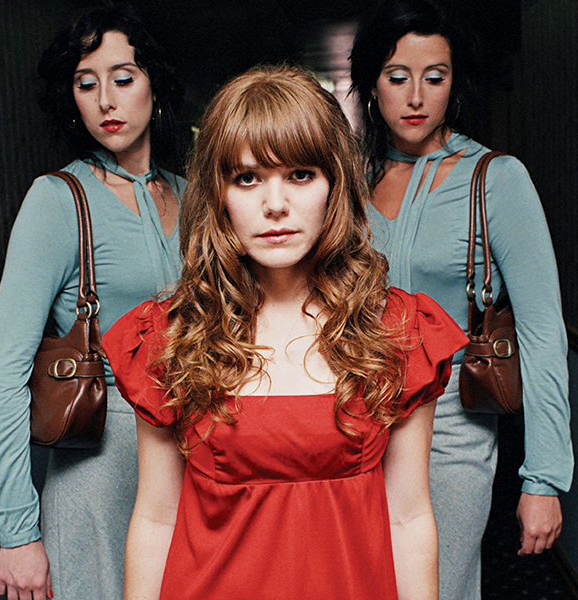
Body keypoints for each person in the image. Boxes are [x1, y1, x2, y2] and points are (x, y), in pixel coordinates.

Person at [102, 64, 468, 600]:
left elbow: (408, 518)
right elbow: (156, 519)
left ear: (334, 185)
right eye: (247, 178)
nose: (275, 205)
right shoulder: (170, 336)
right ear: (218, 194)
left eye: (300, 174)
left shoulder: (397, 330)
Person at [350, 1, 574, 599]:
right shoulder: (350, 184)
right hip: (357, 413)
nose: (415, 96)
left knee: (437, 586)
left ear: (454, 85)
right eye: (397, 77)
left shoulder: (496, 178)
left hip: (453, 420)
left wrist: (544, 479)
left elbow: (542, 331)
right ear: (372, 86)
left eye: (435, 77)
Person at [0, 4, 186, 599]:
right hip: (98, 467)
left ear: (155, 84)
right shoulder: (56, 199)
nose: (106, 101)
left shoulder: (193, 194)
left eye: (123, 78)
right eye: (86, 84)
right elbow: (3, 373)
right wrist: (17, 532)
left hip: (195, 462)